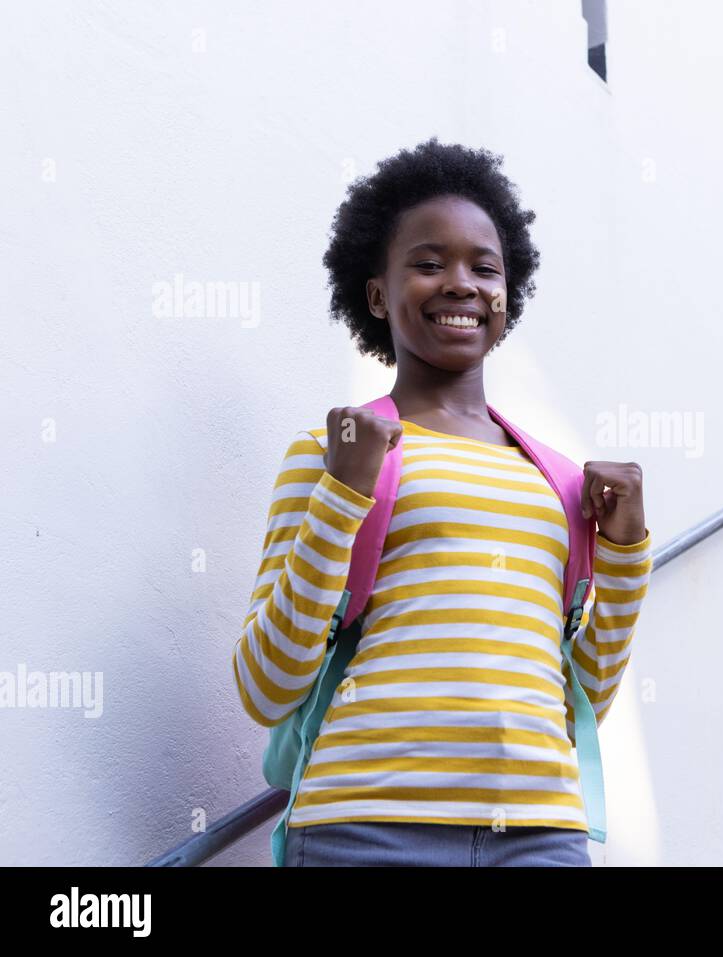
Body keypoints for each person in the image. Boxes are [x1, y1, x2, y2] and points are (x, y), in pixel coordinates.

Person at [232, 137, 653, 866]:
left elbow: (582, 693)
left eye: (483, 266)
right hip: (363, 828)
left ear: (506, 293)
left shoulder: (558, 481)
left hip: (541, 835)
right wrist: (342, 494)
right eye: (428, 263)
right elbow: (265, 684)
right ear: (377, 294)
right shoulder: (332, 453)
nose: (461, 282)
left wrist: (624, 555)